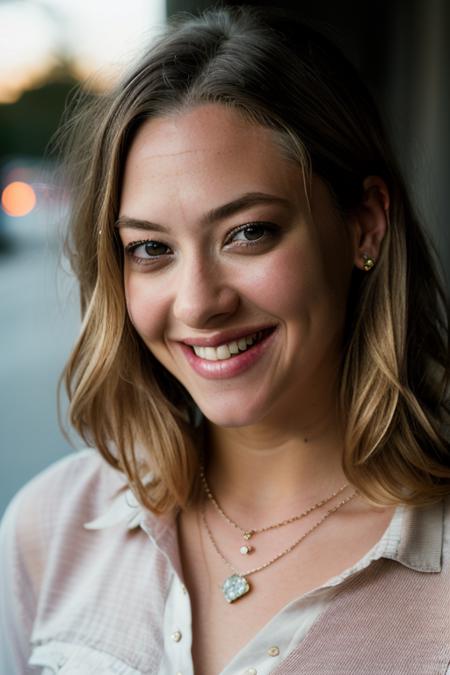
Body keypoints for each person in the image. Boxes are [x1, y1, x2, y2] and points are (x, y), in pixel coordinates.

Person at [1, 5, 449, 674]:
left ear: (365, 225)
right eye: (151, 247)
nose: (200, 302)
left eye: (249, 232)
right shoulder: (50, 528)